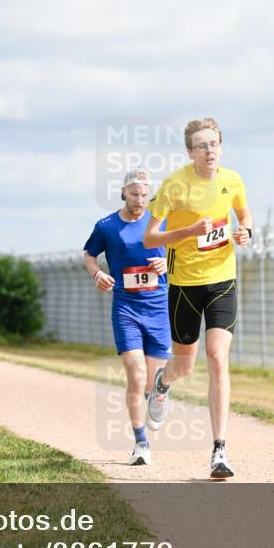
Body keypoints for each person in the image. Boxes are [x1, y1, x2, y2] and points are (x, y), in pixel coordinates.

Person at [143, 118, 253, 479]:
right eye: (202, 146)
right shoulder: (175, 185)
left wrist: (246, 231)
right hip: (185, 285)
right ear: (190, 152)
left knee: (218, 357)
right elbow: (150, 238)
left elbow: (244, 215)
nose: (209, 151)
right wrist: (189, 231)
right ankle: (163, 382)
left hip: (222, 279)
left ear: (221, 147)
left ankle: (219, 450)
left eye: (214, 144)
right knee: (184, 366)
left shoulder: (232, 180)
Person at [83, 169, 170, 466]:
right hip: (125, 308)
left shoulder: (160, 222)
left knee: (152, 382)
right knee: (136, 375)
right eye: (134, 194)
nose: (139, 200)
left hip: (158, 307)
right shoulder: (106, 226)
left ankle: (160, 391)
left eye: (145, 195)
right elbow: (89, 255)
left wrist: (166, 263)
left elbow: (181, 252)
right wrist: (97, 274)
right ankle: (141, 442)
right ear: (123, 192)